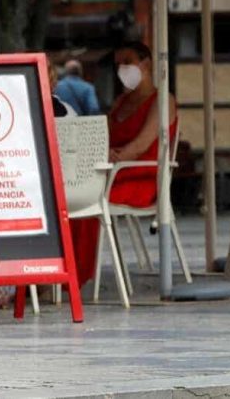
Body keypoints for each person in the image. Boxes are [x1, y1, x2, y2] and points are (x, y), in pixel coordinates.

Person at [68, 41, 178, 288]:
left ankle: (74, 275)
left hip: (142, 177)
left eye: (127, 62)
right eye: (118, 64)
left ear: (146, 63)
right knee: (70, 191)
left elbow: (140, 145)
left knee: (87, 198)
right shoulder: (120, 102)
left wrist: (116, 157)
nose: (122, 69)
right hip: (111, 173)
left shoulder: (163, 100)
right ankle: (60, 269)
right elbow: (101, 135)